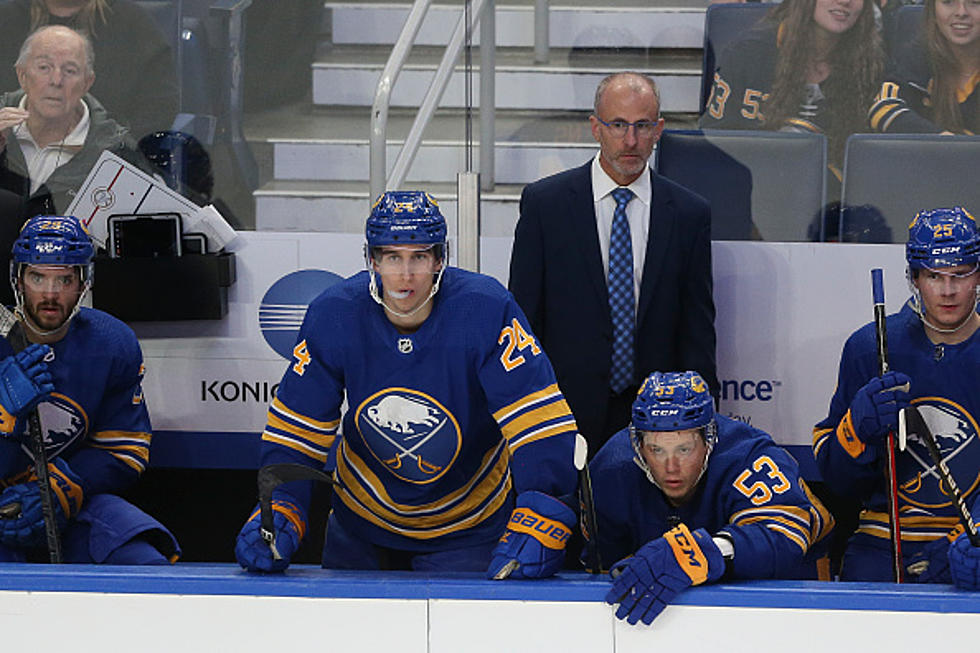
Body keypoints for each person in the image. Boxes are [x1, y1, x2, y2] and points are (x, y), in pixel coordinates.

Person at [235, 191, 578, 578]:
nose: (405, 274)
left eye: (419, 256)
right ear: (372, 260)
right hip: (361, 520)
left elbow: (538, 423)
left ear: (439, 259)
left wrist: (542, 508)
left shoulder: (486, 309)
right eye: (392, 256)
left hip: (467, 526)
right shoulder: (334, 314)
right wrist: (281, 504)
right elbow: (297, 429)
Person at [509, 71, 717, 458]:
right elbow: (524, 320)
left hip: (659, 420)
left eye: (642, 126)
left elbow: (697, 329)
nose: (631, 140)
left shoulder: (689, 214)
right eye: (618, 125)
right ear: (595, 127)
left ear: (659, 129)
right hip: (563, 414)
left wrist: (703, 418)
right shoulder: (545, 205)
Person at [813, 206, 980, 582]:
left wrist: (969, 536)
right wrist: (858, 430)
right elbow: (837, 482)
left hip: (971, 534)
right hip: (882, 537)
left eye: (960, 275)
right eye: (934, 276)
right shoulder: (869, 347)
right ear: (914, 278)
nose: (948, 290)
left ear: (978, 275)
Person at [0, 214, 179, 563]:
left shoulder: (111, 342)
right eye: (38, 277)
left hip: (68, 500)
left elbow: (125, 449)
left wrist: (63, 487)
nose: (50, 294)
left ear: (84, 283)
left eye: (64, 279)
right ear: (18, 280)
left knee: (144, 565)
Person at [594, 371, 833, 626]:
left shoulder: (749, 456)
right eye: (656, 450)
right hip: (673, 591)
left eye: (684, 449)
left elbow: (783, 537)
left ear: (709, 440)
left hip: (789, 578)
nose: (671, 467)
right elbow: (600, 567)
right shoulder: (611, 469)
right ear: (639, 446)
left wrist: (698, 552)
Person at [702, 0, 884, 169]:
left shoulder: (873, 65)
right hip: (753, 185)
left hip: (836, 194)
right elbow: (712, 142)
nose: (845, 1)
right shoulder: (747, 54)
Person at [0, 25, 151, 222]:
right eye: (44, 67)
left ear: (87, 83)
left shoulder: (118, 153)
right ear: (22, 75)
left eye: (70, 71)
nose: (56, 80)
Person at [0, 0, 179, 139]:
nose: (56, 80)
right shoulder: (6, 21)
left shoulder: (134, 24)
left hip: (105, 161)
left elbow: (158, 109)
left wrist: (114, 152)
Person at [869, 0, 980, 135]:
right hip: (929, 154)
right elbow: (883, 108)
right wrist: (945, 142)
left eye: (975, 2)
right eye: (948, 2)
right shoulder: (920, 54)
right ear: (932, 10)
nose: (961, 12)